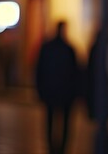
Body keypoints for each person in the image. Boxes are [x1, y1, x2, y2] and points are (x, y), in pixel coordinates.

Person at [35, 21, 78, 154]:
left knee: (50, 120)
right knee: (64, 122)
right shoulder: (68, 49)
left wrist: (40, 89)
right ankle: (61, 149)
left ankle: (52, 148)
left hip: (51, 91)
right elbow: (75, 73)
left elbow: (39, 70)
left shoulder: (48, 48)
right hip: (64, 93)